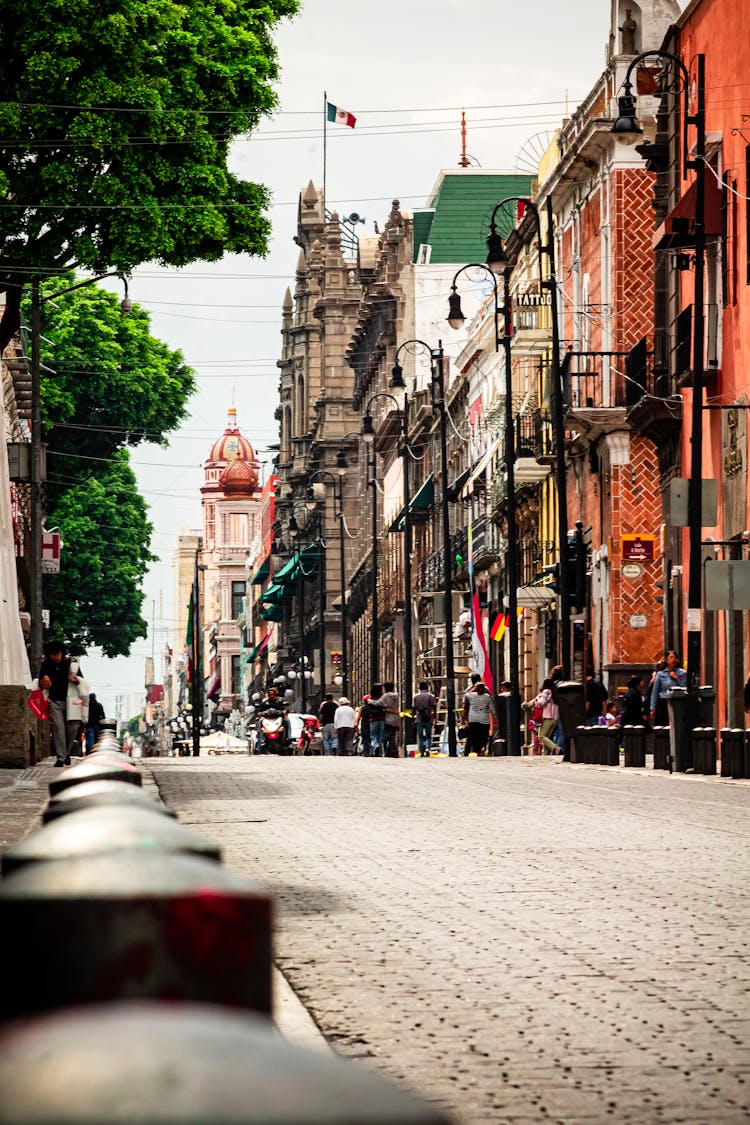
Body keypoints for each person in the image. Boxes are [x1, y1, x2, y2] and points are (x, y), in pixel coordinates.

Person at [37, 640, 82, 767]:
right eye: (51, 654)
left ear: (61, 652)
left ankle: (67, 753)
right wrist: (43, 681)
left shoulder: (71, 663)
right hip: (54, 700)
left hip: (71, 701)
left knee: (72, 728)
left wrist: (75, 679)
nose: (54, 657)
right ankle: (61, 757)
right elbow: (40, 682)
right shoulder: (46, 664)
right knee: (58, 728)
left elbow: (81, 680)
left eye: (56, 654)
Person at [650, 650, 687, 725]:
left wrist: (677, 678)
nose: (673, 659)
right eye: (671, 657)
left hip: (677, 702)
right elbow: (655, 691)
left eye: (675, 657)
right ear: (666, 660)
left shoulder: (682, 673)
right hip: (663, 702)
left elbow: (685, 688)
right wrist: (652, 708)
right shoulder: (660, 674)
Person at [461, 681, 496, 757]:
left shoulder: (470, 696)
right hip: (484, 720)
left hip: (473, 719)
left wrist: (463, 719)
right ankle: (481, 749)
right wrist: (495, 717)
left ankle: (474, 750)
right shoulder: (487, 697)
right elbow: (492, 709)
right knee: (483, 736)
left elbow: (466, 708)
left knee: (473, 736)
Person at [371, 681, 401, 758]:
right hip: (396, 718)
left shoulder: (386, 696)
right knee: (392, 735)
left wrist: (370, 701)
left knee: (389, 736)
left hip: (388, 718)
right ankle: (389, 752)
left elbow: (377, 703)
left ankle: (394, 751)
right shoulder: (397, 696)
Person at [255, 685, 288, 753]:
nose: (271, 696)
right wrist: (260, 713)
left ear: (275, 695)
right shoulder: (264, 702)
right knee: (258, 722)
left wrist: (284, 712)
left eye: (273, 694)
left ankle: (287, 737)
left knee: (287, 722)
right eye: (270, 694)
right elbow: (260, 711)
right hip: (266, 719)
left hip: (277, 718)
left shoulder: (280, 701)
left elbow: (284, 709)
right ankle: (260, 738)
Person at [533, 678, 560, 755]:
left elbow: (541, 703)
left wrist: (537, 699)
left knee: (541, 736)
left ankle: (555, 748)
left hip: (547, 718)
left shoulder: (546, 691)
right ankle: (544, 755)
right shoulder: (555, 693)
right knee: (546, 738)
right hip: (554, 719)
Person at [412, 681, 437, 757]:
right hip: (428, 718)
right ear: (427, 687)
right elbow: (434, 708)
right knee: (429, 736)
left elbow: (413, 709)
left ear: (419, 688)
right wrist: (434, 717)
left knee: (420, 736)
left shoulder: (415, 696)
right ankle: (427, 748)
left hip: (419, 718)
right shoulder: (431, 696)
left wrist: (413, 719)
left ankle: (422, 752)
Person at [368, 683, 386, 757]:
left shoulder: (370, 699)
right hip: (382, 719)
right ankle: (380, 750)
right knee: (381, 736)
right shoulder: (382, 698)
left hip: (373, 719)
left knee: (373, 736)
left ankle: (375, 746)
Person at [318, 692, 338, 756]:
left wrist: (320, 722)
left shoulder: (324, 705)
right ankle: (334, 746)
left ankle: (327, 753)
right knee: (334, 737)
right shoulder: (336, 705)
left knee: (326, 739)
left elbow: (321, 714)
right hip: (334, 724)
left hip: (325, 724)